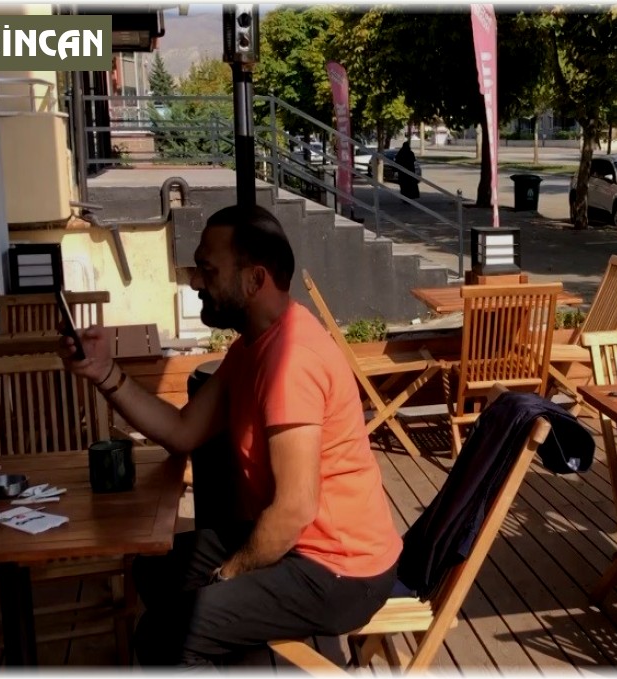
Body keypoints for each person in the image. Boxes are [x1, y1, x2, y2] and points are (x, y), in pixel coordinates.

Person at [59, 205, 402, 667]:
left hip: (340, 569)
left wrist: (229, 575)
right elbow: (182, 432)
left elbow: (295, 507)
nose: (195, 282)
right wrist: (104, 373)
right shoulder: (251, 346)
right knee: (157, 572)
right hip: (300, 545)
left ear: (254, 279)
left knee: (165, 637)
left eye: (207, 269)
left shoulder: (291, 362)